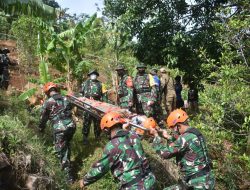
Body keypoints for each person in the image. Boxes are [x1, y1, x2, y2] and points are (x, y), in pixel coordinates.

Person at [79, 111, 156, 190]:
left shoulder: (113, 145)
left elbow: (101, 168)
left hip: (135, 187)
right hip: (150, 180)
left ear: (106, 130)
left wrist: (85, 181)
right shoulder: (134, 135)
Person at [149, 109, 215, 190]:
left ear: (178, 126)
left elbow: (165, 153)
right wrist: (167, 137)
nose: (172, 130)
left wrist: (156, 137)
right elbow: (180, 146)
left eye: (172, 128)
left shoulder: (185, 138)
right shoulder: (195, 132)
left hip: (198, 183)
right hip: (206, 179)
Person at [38, 82, 76, 183]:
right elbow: (71, 108)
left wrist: (40, 128)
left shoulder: (48, 102)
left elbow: (43, 118)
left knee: (61, 151)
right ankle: (69, 163)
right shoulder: (65, 98)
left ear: (47, 92)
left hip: (60, 129)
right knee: (66, 145)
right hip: (71, 126)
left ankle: (68, 178)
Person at [80, 69, 103, 145]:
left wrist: (103, 107)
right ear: (89, 75)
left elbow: (104, 96)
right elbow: (81, 94)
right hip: (87, 105)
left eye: (94, 74)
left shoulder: (101, 84)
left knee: (97, 122)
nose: (93, 75)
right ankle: (85, 138)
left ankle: (98, 137)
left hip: (97, 106)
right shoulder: (84, 84)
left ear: (96, 75)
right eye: (92, 74)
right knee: (86, 122)